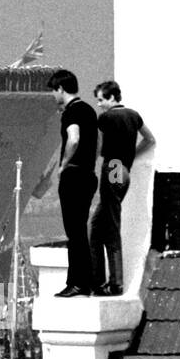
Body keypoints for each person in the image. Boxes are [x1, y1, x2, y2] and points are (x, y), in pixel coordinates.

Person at [89, 81, 156, 295]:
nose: (99, 104)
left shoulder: (106, 118)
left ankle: (114, 283)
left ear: (111, 98)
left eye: (101, 99)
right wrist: (131, 155)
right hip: (123, 170)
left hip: (112, 168)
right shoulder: (134, 115)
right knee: (98, 227)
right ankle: (101, 282)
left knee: (110, 226)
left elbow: (99, 147)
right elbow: (150, 139)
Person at [48, 69, 99, 296]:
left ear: (61, 88)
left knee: (74, 231)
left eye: (54, 90)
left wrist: (64, 164)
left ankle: (76, 282)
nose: (53, 95)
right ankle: (86, 281)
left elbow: (74, 138)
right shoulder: (89, 109)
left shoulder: (71, 112)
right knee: (80, 230)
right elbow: (99, 144)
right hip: (88, 175)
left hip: (74, 176)